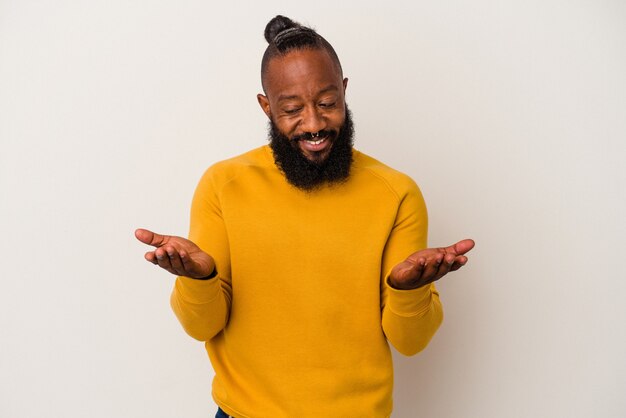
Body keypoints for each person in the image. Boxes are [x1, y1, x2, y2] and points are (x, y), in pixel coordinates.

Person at [135, 15, 474, 418]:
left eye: (327, 103)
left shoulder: (396, 193)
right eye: (292, 109)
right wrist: (200, 279)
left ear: (344, 91)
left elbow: (411, 342)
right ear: (266, 106)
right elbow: (201, 327)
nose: (313, 124)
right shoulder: (223, 184)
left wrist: (407, 290)